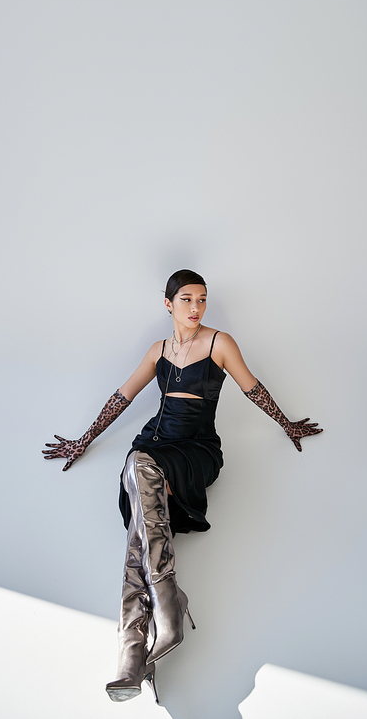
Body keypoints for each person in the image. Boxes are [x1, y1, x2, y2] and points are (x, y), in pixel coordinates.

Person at [43, 269, 323, 703]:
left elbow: (252, 388)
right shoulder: (158, 351)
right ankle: (138, 648)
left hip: (195, 451)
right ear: (168, 303)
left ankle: (144, 637)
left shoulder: (219, 343)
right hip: (155, 443)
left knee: (138, 480)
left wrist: (286, 424)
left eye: (203, 300)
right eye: (187, 300)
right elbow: (122, 397)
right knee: (141, 501)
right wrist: (83, 441)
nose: (196, 308)